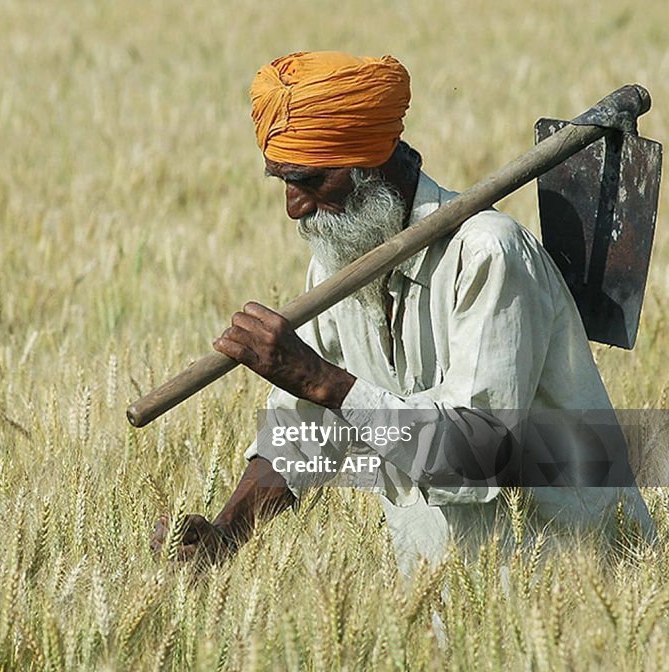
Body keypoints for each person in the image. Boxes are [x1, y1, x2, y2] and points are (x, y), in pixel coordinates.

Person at [149, 51, 655, 575]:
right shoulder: (333, 267)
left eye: (310, 181)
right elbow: (301, 434)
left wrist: (321, 380)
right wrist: (228, 532)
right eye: (282, 181)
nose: (293, 207)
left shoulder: (487, 254)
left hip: (568, 578)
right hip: (441, 590)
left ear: (372, 167)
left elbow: (480, 456)